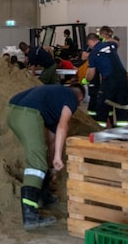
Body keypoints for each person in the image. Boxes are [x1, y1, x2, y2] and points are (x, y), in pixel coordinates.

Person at [7, 83, 84, 230]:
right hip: (27, 114)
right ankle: (30, 216)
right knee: (37, 163)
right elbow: (63, 126)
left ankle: (44, 195)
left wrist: (51, 165)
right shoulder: (72, 98)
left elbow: (52, 139)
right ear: (79, 98)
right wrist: (57, 158)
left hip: (12, 111)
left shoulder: (54, 98)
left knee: (41, 158)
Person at [85, 32, 128, 128]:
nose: (90, 47)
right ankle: (122, 134)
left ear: (90, 41)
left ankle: (100, 129)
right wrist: (106, 39)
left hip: (110, 81)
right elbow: (116, 42)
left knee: (102, 104)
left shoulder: (93, 53)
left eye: (89, 45)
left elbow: (91, 73)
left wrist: (86, 80)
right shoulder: (110, 45)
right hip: (123, 79)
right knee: (121, 107)